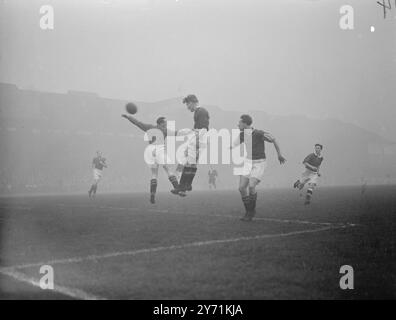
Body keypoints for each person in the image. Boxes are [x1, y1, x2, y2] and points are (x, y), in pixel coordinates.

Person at [231, 114, 286, 221]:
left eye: (240, 122)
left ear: (245, 123)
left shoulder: (259, 133)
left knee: (251, 186)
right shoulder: (242, 135)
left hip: (259, 163)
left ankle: (251, 211)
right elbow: (232, 145)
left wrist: (279, 154)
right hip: (248, 162)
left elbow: (274, 139)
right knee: (241, 188)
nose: (238, 124)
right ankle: (248, 211)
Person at [122, 114, 180, 204]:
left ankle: (152, 195)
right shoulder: (164, 130)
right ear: (161, 124)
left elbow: (137, 123)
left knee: (154, 174)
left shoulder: (149, 127)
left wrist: (128, 117)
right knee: (168, 169)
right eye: (165, 123)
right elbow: (177, 133)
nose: (166, 124)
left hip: (151, 151)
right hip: (159, 150)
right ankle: (177, 188)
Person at [172, 94, 210, 196]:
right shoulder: (199, 112)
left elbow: (203, 129)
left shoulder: (201, 111)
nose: (187, 107)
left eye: (188, 104)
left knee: (189, 162)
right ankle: (185, 186)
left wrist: (196, 142)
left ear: (193, 102)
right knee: (190, 163)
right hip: (198, 139)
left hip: (199, 139)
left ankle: (184, 185)